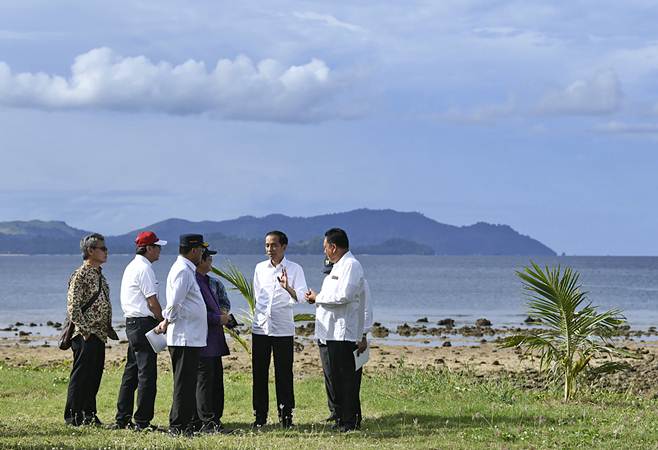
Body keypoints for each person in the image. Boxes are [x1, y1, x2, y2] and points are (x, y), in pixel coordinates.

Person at [305, 228, 370, 432]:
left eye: (325, 248)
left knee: (346, 378)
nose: (325, 252)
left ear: (333, 247)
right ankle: (342, 418)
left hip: (344, 332)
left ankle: (350, 421)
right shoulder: (337, 267)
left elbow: (344, 296)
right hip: (331, 332)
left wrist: (318, 298)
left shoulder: (351, 265)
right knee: (337, 378)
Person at [251, 230, 308, 428]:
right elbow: (258, 296)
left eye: (274, 245)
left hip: (283, 328)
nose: (270, 249)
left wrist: (287, 287)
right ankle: (260, 417)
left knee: (284, 374)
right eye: (267, 245)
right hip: (260, 328)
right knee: (259, 374)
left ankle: (286, 417)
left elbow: (301, 297)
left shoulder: (295, 269)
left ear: (284, 246)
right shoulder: (259, 268)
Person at [155, 234, 209, 435]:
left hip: (191, 337)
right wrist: (167, 321)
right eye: (201, 250)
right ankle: (178, 426)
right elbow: (174, 303)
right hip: (184, 337)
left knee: (188, 383)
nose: (203, 254)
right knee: (184, 384)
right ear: (194, 250)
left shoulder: (186, 270)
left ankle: (186, 424)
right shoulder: (182, 271)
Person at [113, 231, 167, 431]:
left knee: (132, 371)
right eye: (157, 246)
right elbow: (152, 302)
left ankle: (122, 417)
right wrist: (163, 321)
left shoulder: (132, 266)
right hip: (144, 323)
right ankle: (142, 421)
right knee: (147, 374)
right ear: (149, 248)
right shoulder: (145, 269)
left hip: (132, 323)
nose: (160, 250)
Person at [317, 258, 373, 427]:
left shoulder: (358, 282)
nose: (329, 273)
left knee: (348, 379)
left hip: (346, 335)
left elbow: (365, 308)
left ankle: (351, 418)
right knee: (332, 377)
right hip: (327, 334)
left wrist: (363, 335)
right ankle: (337, 413)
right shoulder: (328, 281)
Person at [64, 233, 113, 426]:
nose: (106, 251)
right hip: (85, 334)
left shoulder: (99, 274)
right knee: (81, 376)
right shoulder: (81, 274)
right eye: (102, 248)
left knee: (94, 376)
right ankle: (73, 416)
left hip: (99, 334)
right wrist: (85, 331)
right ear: (90, 251)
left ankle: (89, 415)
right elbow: (73, 306)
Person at [193, 248, 231, 433]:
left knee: (215, 381)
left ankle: (214, 417)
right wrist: (218, 318)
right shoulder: (193, 281)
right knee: (204, 382)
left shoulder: (211, 282)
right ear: (201, 260)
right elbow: (195, 311)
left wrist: (224, 316)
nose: (211, 262)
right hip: (203, 339)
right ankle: (206, 420)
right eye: (208, 259)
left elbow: (223, 304)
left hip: (214, 339)